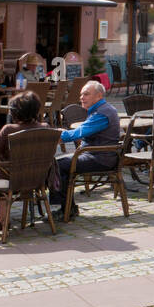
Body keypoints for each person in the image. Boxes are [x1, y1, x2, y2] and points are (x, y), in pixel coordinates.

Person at [0, 91, 46, 234]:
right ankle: (2, 220)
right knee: (3, 171)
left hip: (11, 178)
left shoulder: (9, 129)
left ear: (14, 113)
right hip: (36, 179)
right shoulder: (45, 127)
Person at [51, 80, 121, 218]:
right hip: (98, 155)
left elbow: (78, 133)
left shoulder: (102, 113)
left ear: (99, 96)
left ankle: (66, 210)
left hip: (101, 158)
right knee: (60, 164)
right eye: (81, 94)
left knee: (58, 165)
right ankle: (68, 207)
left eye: (86, 94)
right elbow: (82, 131)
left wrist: (54, 135)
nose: (82, 97)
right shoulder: (101, 109)